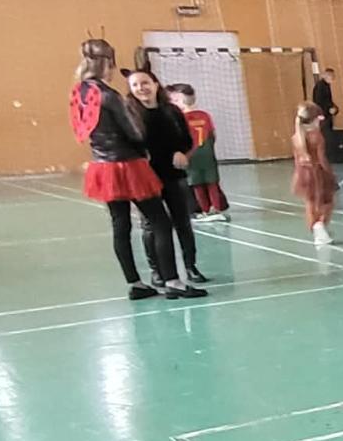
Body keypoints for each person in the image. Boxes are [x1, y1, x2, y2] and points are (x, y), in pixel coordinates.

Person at [70, 39, 202, 301]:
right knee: (160, 221)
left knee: (120, 225)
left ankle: (135, 283)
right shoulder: (109, 95)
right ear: (107, 63)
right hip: (127, 165)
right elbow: (134, 132)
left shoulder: (80, 93)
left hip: (102, 166)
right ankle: (172, 281)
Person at [126, 70, 207, 285]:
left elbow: (187, 139)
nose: (141, 88)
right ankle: (157, 271)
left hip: (173, 174)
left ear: (155, 84)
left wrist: (182, 152)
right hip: (145, 177)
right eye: (135, 85)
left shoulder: (171, 111)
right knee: (150, 225)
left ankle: (190, 266)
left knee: (182, 221)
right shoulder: (130, 114)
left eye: (145, 83)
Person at [167, 83, 228, 221]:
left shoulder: (180, 118)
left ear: (180, 100)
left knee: (197, 185)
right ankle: (216, 209)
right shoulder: (205, 115)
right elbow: (213, 134)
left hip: (191, 155)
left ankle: (205, 211)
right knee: (212, 183)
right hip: (207, 155)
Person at [292, 101, 336, 246]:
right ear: (315, 119)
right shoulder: (317, 136)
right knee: (327, 201)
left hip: (302, 174)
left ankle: (316, 229)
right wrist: (330, 174)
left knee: (310, 202)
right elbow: (322, 159)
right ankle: (320, 225)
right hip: (317, 172)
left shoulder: (296, 137)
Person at [312, 66, 343, 161]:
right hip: (323, 115)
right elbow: (319, 101)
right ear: (325, 75)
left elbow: (328, 101)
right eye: (331, 76)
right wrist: (328, 109)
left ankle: (328, 155)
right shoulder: (320, 86)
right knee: (325, 135)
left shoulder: (326, 86)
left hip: (326, 114)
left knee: (328, 134)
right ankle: (324, 156)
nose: (333, 78)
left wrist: (334, 108)